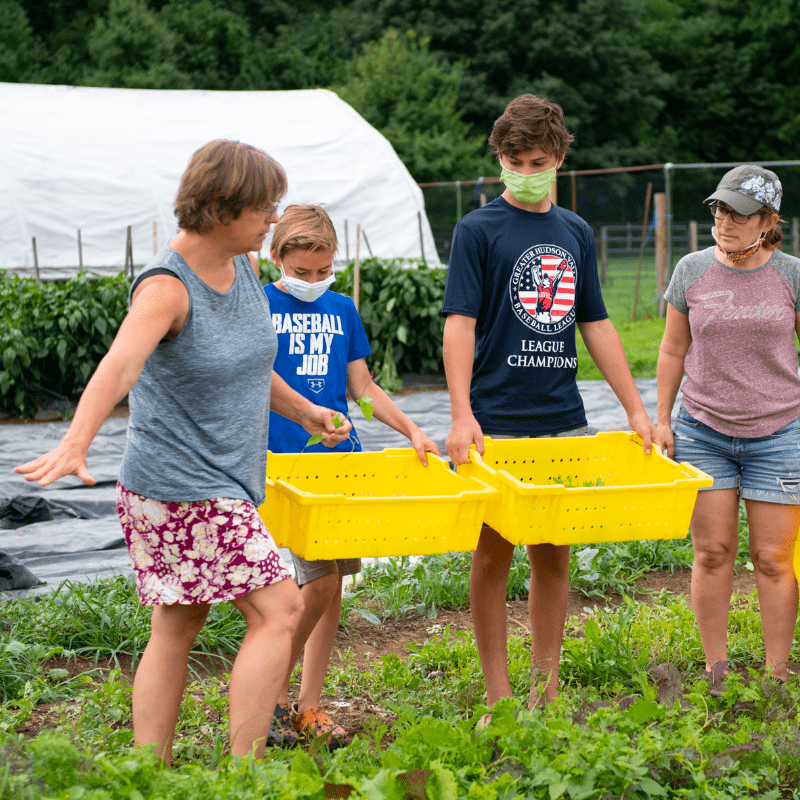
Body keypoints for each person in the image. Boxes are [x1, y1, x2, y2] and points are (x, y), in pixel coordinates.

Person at [14, 140, 352, 763]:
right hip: (179, 486)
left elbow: (253, 364)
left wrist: (307, 412)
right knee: (280, 609)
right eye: (264, 208)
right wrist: (76, 440)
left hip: (215, 481)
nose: (274, 219)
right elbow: (119, 365)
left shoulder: (242, 268)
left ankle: (151, 767)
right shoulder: (168, 288)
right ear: (222, 210)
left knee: (178, 622)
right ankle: (244, 770)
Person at [441, 94, 656, 717]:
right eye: (513, 159)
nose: (524, 169)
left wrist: (636, 410)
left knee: (553, 552)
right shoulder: (478, 229)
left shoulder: (574, 233)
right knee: (491, 553)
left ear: (560, 158)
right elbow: (458, 324)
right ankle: (499, 692)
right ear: (499, 160)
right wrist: (461, 415)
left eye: (536, 159)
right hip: (494, 420)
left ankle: (546, 687)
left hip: (561, 418)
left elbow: (596, 323)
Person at [263, 204, 441, 748]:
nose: (313, 282)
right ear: (276, 258)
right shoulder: (258, 304)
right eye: (301, 271)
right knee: (316, 581)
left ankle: (308, 704)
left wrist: (411, 429)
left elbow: (362, 387)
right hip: (282, 463)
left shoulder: (342, 309)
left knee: (334, 579)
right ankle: (267, 694)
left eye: (322, 271)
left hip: (341, 463)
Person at [655, 165, 799, 684]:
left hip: (780, 433)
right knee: (712, 552)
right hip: (703, 430)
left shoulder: (791, 274)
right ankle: (716, 667)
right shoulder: (692, 270)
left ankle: (775, 675)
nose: (725, 221)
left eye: (739, 213)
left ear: (767, 221)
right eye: (719, 209)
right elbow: (673, 349)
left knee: (773, 560)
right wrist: (661, 420)